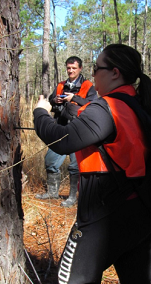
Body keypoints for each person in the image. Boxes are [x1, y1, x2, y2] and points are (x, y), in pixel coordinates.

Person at [33, 44, 151, 284]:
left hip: (107, 212)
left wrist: (40, 112)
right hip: (143, 209)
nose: (93, 75)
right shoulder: (137, 104)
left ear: (115, 72)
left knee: (71, 280)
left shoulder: (107, 108)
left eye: (97, 68)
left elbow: (61, 141)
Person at [36, 56, 97, 208]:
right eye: (69, 68)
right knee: (50, 161)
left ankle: (72, 197)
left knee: (75, 166)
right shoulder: (61, 85)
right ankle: (52, 192)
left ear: (80, 68)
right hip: (60, 128)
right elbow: (50, 101)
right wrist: (54, 100)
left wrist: (74, 98)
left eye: (74, 68)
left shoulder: (88, 86)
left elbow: (94, 105)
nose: (71, 71)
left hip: (78, 131)